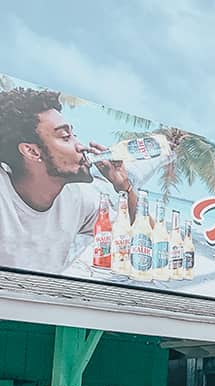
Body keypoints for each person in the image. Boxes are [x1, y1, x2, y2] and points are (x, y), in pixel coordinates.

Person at [0, 86, 136, 274]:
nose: (80, 146)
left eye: (74, 135)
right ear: (32, 151)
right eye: (65, 137)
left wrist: (124, 187)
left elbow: (136, 238)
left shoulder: (77, 198)